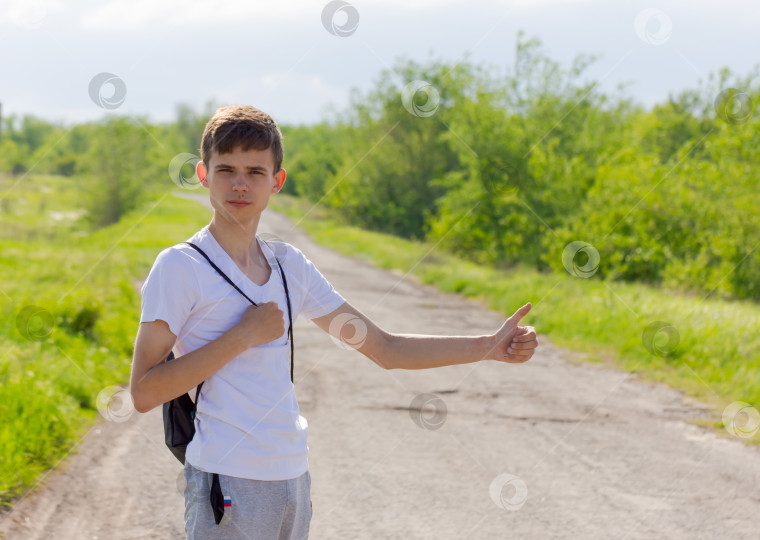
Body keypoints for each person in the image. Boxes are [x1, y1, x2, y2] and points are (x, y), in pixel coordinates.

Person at [129, 104, 538, 539]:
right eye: (226, 169)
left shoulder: (290, 266)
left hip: (292, 477)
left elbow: (386, 349)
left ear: (277, 182)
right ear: (203, 174)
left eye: (255, 171)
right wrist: (243, 335)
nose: (240, 184)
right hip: (227, 479)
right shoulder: (180, 266)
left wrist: (488, 346)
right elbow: (144, 390)